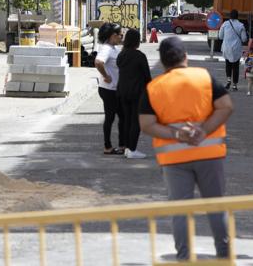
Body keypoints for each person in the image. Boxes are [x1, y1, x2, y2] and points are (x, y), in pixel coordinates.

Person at [139, 37, 234, 261]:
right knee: (216, 205)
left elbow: (146, 125)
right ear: (185, 57)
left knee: (180, 211)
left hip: (174, 159)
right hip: (209, 154)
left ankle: (183, 258)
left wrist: (176, 134)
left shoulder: (154, 87)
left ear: (163, 62)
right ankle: (224, 256)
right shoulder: (204, 77)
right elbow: (226, 107)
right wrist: (204, 130)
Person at [117, 29, 152, 159]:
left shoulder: (121, 55)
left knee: (126, 120)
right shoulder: (140, 56)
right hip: (137, 93)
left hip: (122, 91)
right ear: (137, 41)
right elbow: (147, 76)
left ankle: (127, 147)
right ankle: (132, 149)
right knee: (136, 121)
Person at [95, 23, 126, 155]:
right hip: (108, 89)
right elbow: (98, 62)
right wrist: (106, 76)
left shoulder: (113, 48)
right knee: (110, 117)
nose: (121, 37)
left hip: (115, 89)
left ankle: (122, 145)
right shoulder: (106, 49)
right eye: (120, 35)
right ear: (113, 36)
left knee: (122, 116)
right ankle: (108, 146)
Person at [218, 9, 248, 90]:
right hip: (236, 49)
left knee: (228, 64)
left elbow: (220, 36)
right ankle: (234, 85)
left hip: (226, 48)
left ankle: (228, 81)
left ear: (230, 16)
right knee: (235, 67)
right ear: (237, 16)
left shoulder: (225, 24)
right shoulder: (241, 25)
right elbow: (244, 39)